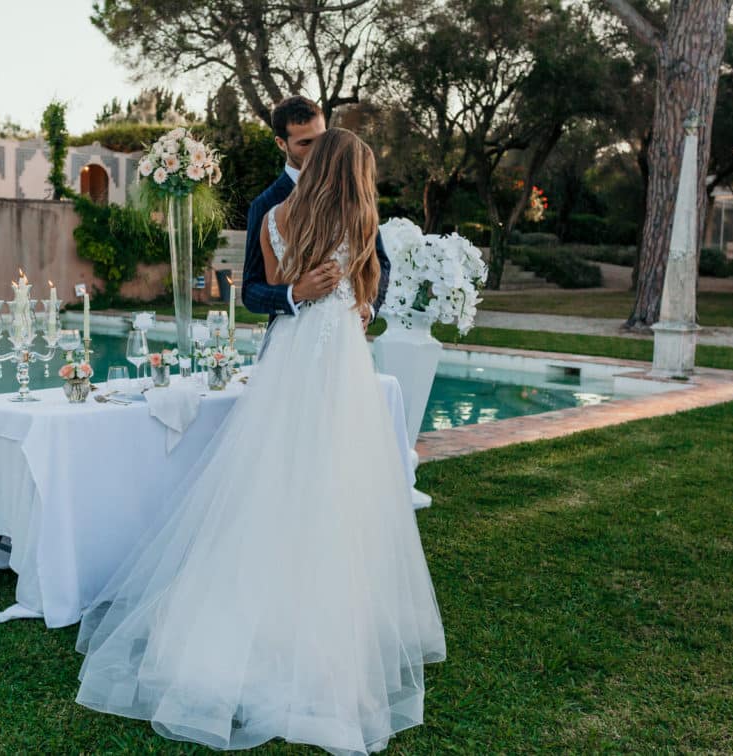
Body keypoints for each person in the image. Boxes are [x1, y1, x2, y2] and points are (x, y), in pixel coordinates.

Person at [74, 128, 445, 756]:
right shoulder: (352, 219)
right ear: (353, 173)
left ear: (314, 162)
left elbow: (323, 291)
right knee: (325, 481)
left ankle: (270, 612)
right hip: (329, 365)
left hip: (298, 360)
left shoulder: (279, 216)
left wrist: (332, 304)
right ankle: (314, 625)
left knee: (281, 479)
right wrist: (311, 299)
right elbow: (304, 291)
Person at [242, 96, 391, 330]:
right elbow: (251, 291)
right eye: (305, 143)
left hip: (343, 332)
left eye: (321, 140)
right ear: (282, 143)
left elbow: (379, 260)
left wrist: (368, 308)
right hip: (290, 337)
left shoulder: (351, 195)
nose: (317, 150)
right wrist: (296, 293)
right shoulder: (266, 204)